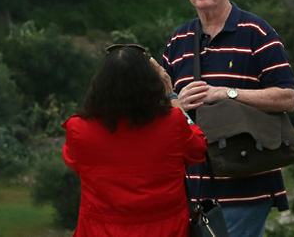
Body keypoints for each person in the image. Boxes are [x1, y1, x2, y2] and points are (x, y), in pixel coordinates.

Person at [162, 0, 294, 237]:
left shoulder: (257, 33)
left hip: (247, 186)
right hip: (193, 191)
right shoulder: (177, 41)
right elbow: (159, 108)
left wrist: (227, 94)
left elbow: (287, 97)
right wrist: (177, 105)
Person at [62, 44, 207, 236]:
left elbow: (75, 162)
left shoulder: (78, 129)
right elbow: (198, 148)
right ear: (150, 83)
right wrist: (172, 96)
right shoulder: (173, 123)